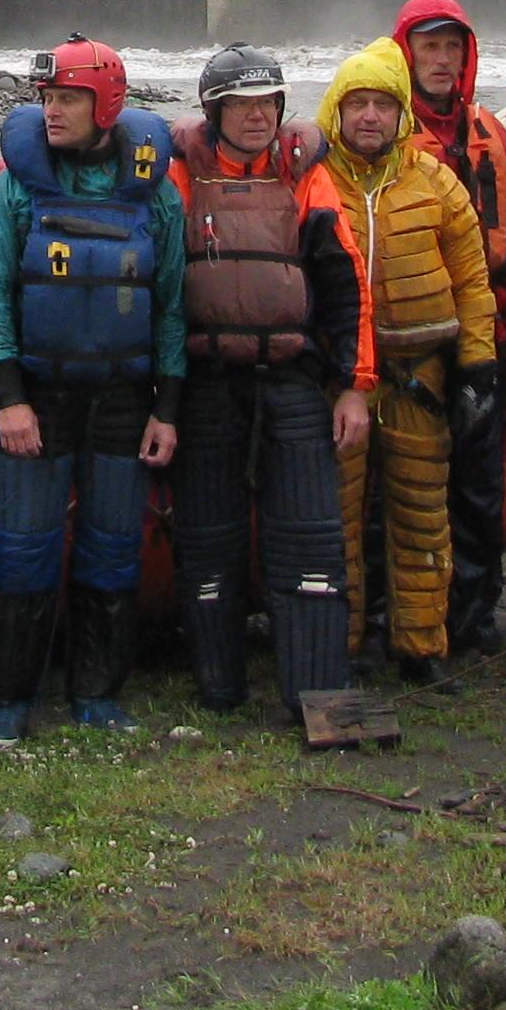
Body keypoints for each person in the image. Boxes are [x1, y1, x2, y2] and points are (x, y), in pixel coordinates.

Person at [0, 36, 184, 742]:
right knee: (21, 545)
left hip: (122, 399)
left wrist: (167, 408)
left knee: (112, 545)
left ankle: (97, 693)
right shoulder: (15, 191)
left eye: (67, 99)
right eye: (47, 100)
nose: (52, 112)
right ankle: (9, 699)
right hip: (39, 395)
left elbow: (171, 305)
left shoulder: (154, 195)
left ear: (108, 105)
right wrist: (9, 398)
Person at [169, 44, 367, 722]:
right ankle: (219, 688)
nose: (256, 117)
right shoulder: (181, 175)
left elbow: (344, 284)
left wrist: (354, 384)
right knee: (207, 538)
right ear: (213, 112)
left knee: (310, 537)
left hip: (290, 378)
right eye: (241, 106)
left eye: (267, 105)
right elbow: (162, 286)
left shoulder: (304, 175)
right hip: (207, 382)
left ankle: (315, 692)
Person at [303, 37, 497, 681]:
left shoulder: (435, 182)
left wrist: (477, 366)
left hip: (420, 376)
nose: (369, 117)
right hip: (338, 382)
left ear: (402, 114)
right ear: (335, 110)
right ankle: (341, 644)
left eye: (383, 105)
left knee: (422, 517)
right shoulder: (313, 182)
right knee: (337, 520)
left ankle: (420, 646)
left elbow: (472, 281)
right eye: (356, 104)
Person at [390, 0, 506, 654]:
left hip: (486, 331)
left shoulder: (492, 134)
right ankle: (407, 614)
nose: (442, 60)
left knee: (479, 481)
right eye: (429, 47)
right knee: (409, 483)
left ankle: (475, 616)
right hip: (411, 336)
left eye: (452, 47)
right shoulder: (381, 130)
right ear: (406, 55)